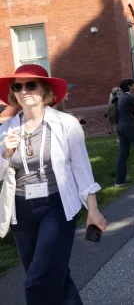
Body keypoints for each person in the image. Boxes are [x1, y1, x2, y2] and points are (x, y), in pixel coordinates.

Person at [0, 65, 107, 304]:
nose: (23, 91)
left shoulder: (66, 123)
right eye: (17, 87)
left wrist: (93, 209)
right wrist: (5, 153)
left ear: (45, 90)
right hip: (21, 210)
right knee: (56, 275)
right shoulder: (6, 130)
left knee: (37, 281)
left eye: (30, 85)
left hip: (56, 205)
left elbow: (82, 168)